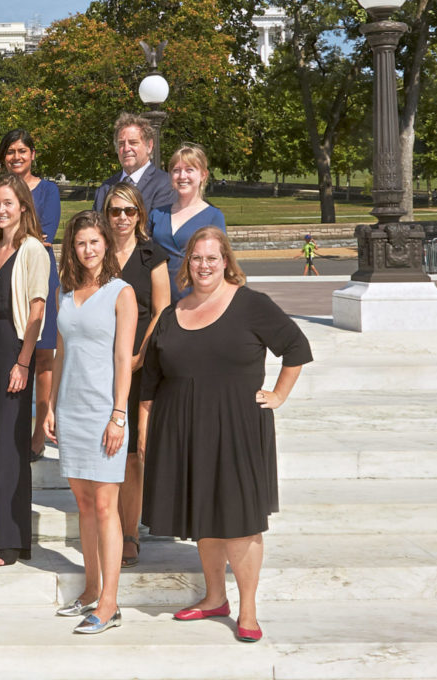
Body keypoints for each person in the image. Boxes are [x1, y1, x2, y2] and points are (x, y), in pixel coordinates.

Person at [142, 227, 312, 643]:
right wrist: (145, 429)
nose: (204, 265)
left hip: (237, 428)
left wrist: (278, 395)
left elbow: (296, 347)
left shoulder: (251, 304)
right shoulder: (172, 313)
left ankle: (248, 609)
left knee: (241, 521)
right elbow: (151, 380)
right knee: (206, 517)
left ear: (226, 262)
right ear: (188, 263)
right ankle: (215, 597)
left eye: (212, 258)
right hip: (185, 429)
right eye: (197, 258)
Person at [43, 210, 137, 633]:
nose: (88, 249)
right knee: (83, 505)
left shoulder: (121, 292)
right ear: (72, 248)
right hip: (71, 409)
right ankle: (91, 589)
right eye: (80, 243)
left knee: (104, 506)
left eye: (94, 241)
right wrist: (50, 407)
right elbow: (61, 354)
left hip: (104, 412)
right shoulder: (64, 293)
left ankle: (110, 604)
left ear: (106, 244)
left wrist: (119, 414)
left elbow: (123, 358)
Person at [0, 173, 49, 566]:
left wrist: (23, 361)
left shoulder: (33, 250)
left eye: (8, 203)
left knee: (10, 445)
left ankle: (12, 540)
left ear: (22, 207)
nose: (1, 210)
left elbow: (37, 310)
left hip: (14, 348)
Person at [0, 129, 61, 458]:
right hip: (4, 276)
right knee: (12, 353)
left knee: (42, 356)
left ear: (33, 154)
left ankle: (38, 434)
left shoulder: (48, 190)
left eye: (22, 151)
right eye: (10, 151)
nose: (16, 157)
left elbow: (45, 235)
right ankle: (9, 429)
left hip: (38, 275)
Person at [103, 183, 170, 569]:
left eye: (129, 211)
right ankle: (106, 525)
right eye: (115, 211)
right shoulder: (96, 251)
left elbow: (162, 309)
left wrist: (139, 356)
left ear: (140, 214)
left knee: (130, 456)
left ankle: (129, 532)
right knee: (103, 450)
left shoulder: (151, 255)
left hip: (139, 365)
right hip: (100, 366)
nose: (122, 218)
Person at [149, 143, 226, 299]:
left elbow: (221, 263)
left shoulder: (214, 216)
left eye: (189, 170)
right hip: (159, 299)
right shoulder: (157, 215)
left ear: (203, 175)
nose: (182, 176)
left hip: (199, 299)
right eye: (176, 170)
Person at [93, 113, 175, 216]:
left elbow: (159, 225)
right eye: (121, 143)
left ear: (149, 146)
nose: (126, 149)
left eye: (133, 142)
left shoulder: (166, 185)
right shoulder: (105, 188)